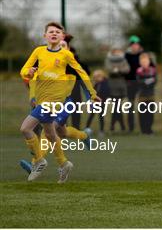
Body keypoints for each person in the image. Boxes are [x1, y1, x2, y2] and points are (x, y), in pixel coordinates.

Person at [19, 22, 100, 182]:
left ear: (65, 42)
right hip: (44, 101)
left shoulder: (67, 57)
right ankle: (64, 163)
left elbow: (83, 74)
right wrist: (28, 75)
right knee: (53, 133)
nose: (54, 34)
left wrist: (92, 94)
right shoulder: (39, 52)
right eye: (51, 32)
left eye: (58, 32)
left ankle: (38, 161)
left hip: (60, 102)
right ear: (45, 35)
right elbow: (27, 74)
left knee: (26, 128)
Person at [103, 47, 130, 133]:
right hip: (112, 85)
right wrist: (119, 70)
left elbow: (127, 69)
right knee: (117, 106)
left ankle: (115, 126)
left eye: (119, 52)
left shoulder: (123, 60)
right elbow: (110, 70)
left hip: (121, 85)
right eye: (116, 52)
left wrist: (117, 69)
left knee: (117, 106)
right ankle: (119, 126)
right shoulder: (108, 59)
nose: (117, 53)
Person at [124, 35, 143, 132]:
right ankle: (130, 128)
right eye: (134, 44)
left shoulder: (143, 55)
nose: (136, 46)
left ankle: (143, 127)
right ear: (131, 45)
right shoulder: (126, 55)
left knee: (142, 105)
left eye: (137, 44)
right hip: (130, 83)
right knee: (130, 106)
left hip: (141, 83)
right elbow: (124, 69)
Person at [136, 52, 157, 135]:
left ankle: (149, 129)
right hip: (142, 95)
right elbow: (138, 82)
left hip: (151, 94)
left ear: (149, 61)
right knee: (142, 114)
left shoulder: (152, 70)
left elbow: (155, 81)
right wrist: (146, 82)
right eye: (143, 61)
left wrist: (149, 82)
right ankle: (143, 130)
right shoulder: (139, 71)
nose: (145, 62)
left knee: (150, 113)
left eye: (146, 61)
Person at [85, 69, 110, 135]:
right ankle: (86, 128)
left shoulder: (105, 83)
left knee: (101, 116)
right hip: (95, 103)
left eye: (96, 77)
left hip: (102, 102)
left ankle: (101, 131)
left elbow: (105, 92)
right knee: (91, 115)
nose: (95, 79)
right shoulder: (97, 84)